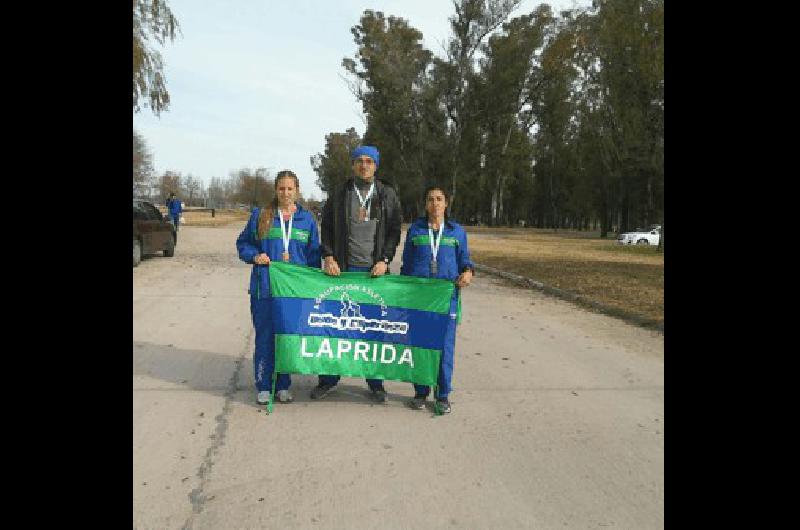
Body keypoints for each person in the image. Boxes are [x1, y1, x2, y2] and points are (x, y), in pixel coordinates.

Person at [311, 145, 403, 403]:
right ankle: (328, 379)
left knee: (373, 329)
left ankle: (375, 381)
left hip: (374, 272)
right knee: (336, 328)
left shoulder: (387, 194)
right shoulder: (340, 193)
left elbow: (395, 230)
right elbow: (326, 227)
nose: (364, 165)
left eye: (369, 161)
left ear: (376, 165)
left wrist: (385, 259)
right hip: (343, 270)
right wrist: (328, 255)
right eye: (359, 161)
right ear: (352, 165)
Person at [236, 170, 321, 405]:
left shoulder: (307, 220)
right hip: (265, 289)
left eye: (290, 188)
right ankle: (264, 385)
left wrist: (313, 287)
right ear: (276, 190)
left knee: (287, 337)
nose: (285, 193)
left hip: (293, 293)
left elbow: (314, 257)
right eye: (281, 188)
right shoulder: (261, 215)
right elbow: (243, 244)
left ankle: (283, 384)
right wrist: (255, 256)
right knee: (265, 337)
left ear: (297, 190)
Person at [400, 185, 474, 414]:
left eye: (439, 199)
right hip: (419, 300)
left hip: (445, 299)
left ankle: (442, 394)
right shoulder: (416, 230)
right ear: (425, 204)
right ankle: (420, 391)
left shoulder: (456, 232)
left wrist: (468, 273)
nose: (435, 204)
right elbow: (406, 265)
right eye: (430, 199)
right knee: (420, 345)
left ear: (446, 203)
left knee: (444, 348)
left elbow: (465, 262)